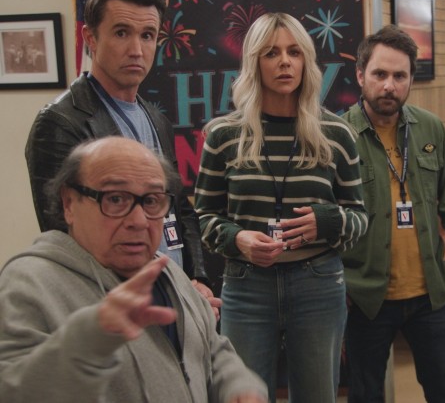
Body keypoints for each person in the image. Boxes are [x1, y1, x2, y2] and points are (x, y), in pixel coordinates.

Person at [0, 137, 268, 403]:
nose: (139, 221)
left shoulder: (167, 271)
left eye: (151, 200)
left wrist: (237, 385)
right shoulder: (29, 284)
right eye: (115, 198)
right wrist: (90, 340)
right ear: (69, 203)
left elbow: (212, 350)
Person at [193, 12, 367, 403]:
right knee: (244, 396)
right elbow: (203, 217)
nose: (284, 62)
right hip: (247, 283)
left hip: (317, 282)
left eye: (294, 52)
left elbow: (359, 218)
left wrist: (327, 221)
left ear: (306, 60)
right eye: (271, 53)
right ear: (254, 62)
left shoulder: (336, 133)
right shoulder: (223, 135)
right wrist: (238, 239)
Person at [24, 0, 218, 316]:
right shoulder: (60, 121)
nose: (136, 50)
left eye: (147, 35)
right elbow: (65, 239)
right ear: (91, 38)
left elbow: (178, 206)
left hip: (173, 295)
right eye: (121, 33)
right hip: (114, 308)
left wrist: (196, 278)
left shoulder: (156, 119)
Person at [342, 24, 445, 403]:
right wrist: (336, 283)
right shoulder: (337, 135)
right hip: (364, 296)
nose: (389, 86)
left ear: (411, 79)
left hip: (430, 294)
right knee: (365, 394)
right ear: (361, 75)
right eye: (380, 74)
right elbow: (326, 216)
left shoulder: (430, 128)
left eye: (400, 76)